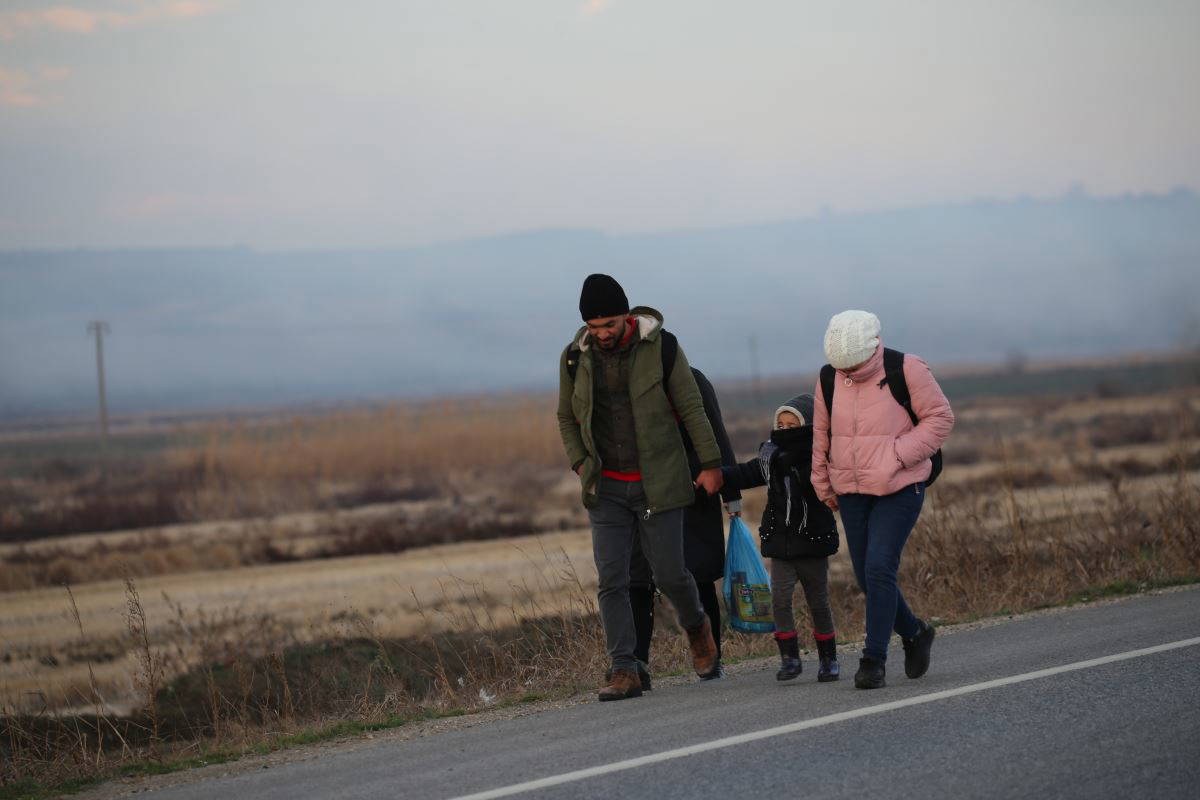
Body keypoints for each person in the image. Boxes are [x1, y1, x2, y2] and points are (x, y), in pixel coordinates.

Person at [557, 274, 724, 701]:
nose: (602, 334)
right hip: (607, 488)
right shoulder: (576, 358)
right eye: (594, 328)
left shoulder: (662, 348)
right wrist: (580, 461)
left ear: (627, 316)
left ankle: (697, 628)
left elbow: (690, 405)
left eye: (609, 325)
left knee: (670, 573)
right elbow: (565, 416)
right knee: (612, 579)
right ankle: (624, 669)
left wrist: (710, 464)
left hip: (659, 483)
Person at [811, 310, 954, 689]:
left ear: (872, 348)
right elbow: (821, 434)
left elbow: (940, 418)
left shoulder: (906, 369)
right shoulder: (829, 377)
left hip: (900, 486)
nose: (849, 370)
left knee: (878, 569)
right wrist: (822, 482)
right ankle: (915, 632)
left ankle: (873, 660)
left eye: (855, 364)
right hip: (852, 489)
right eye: (843, 366)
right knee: (865, 577)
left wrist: (897, 456)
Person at [624, 366, 742, 688]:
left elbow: (715, 433)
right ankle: (638, 666)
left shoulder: (690, 378)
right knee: (638, 579)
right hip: (641, 492)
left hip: (692, 489)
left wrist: (730, 492)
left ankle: (711, 659)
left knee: (697, 575)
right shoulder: (624, 380)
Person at [722, 394, 841, 682]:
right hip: (782, 544)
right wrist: (715, 477)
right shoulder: (770, 457)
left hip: (813, 541)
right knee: (779, 601)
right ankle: (789, 659)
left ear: (810, 426)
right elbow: (744, 474)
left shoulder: (821, 458)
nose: (786, 430)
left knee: (819, 602)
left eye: (793, 425)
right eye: (781, 425)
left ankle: (828, 659)